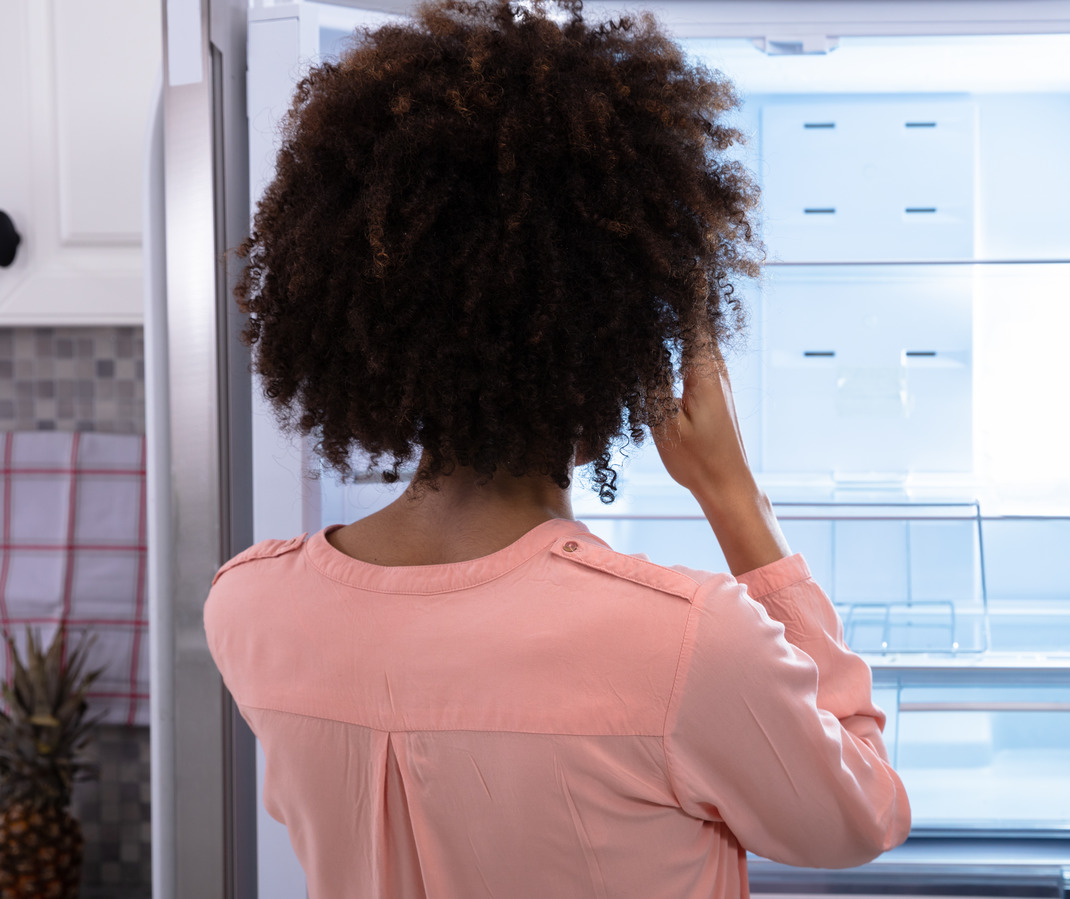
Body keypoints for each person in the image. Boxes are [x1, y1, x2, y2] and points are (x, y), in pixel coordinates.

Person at [201, 1, 911, 895]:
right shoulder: (689, 644)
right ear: (611, 342)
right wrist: (735, 496)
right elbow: (862, 814)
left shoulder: (250, 606)